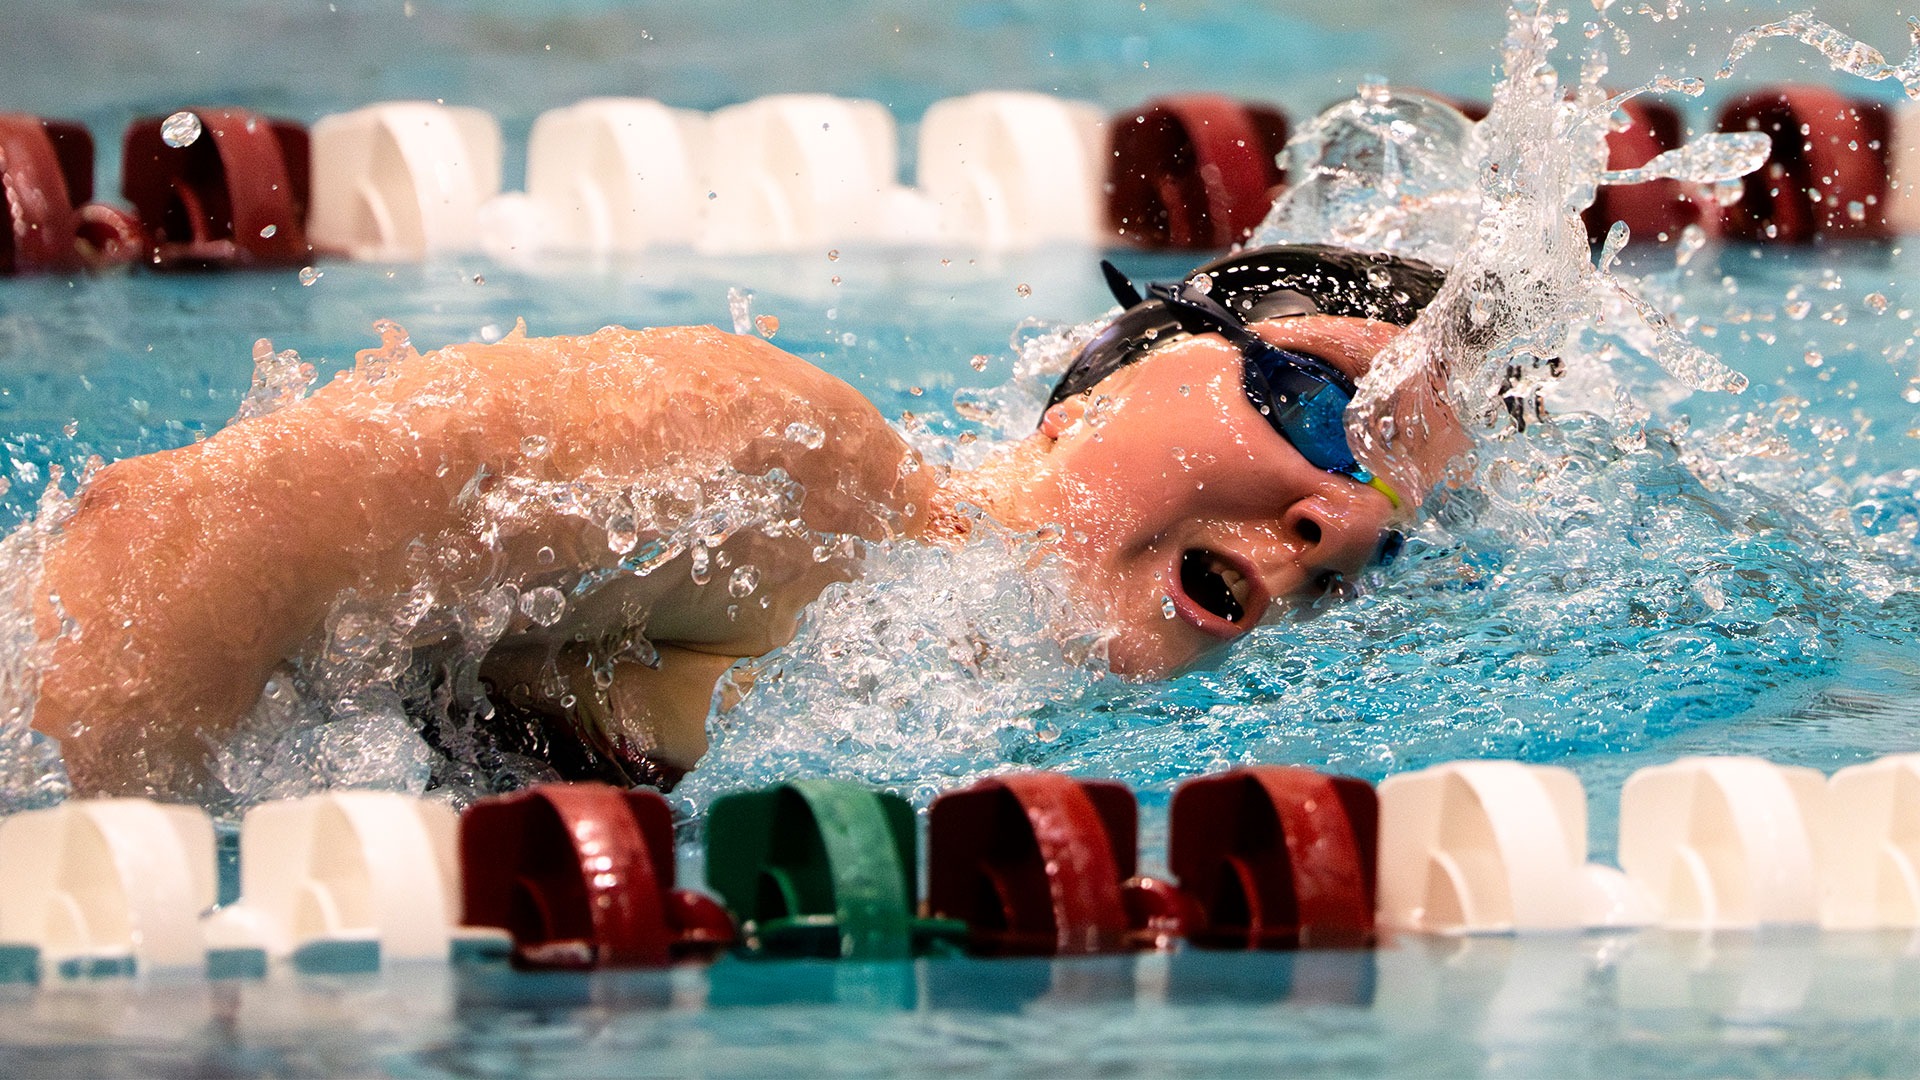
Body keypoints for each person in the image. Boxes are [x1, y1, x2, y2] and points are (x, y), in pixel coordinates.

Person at [29, 243, 1466, 798]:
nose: (1341, 519)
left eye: (1391, 533)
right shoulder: (794, 474)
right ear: (1115, 370)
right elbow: (185, 531)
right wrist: (122, 908)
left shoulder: (984, 737)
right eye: (1324, 408)